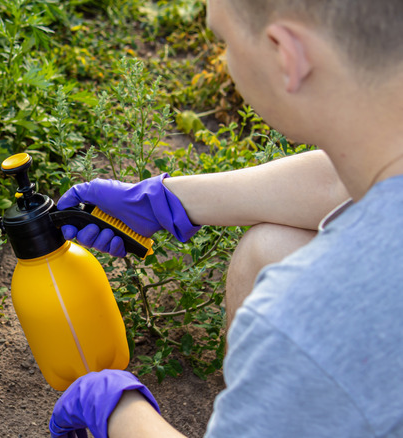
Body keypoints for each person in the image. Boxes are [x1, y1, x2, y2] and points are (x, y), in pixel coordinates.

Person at [49, 0, 403, 436]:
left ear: (285, 55)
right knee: (268, 251)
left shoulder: (305, 319)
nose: (226, 58)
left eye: (224, 41)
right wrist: (164, 200)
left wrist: (118, 411)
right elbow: (343, 182)